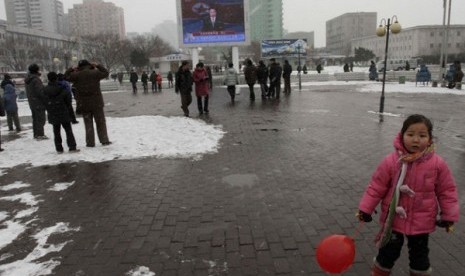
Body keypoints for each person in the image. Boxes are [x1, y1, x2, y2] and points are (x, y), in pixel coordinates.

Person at [357, 114, 459, 276]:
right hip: (393, 221)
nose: (416, 140)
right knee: (387, 254)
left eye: (422, 135)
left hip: (422, 221)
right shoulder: (392, 161)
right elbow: (376, 187)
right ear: (402, 135)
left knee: (420, 258)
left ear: (430, 138)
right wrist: (365, 209)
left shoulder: (437, 164)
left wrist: (449, 215)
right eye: (410, 134)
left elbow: (447, 191)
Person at [65, 59, 112, 147]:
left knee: (88, 123)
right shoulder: (95, 73)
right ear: (89, 65)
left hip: (84, 103)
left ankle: (90, 142)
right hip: (97, 102)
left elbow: (65, 77)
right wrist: (97, 65)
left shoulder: (76, 75)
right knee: (100, 122)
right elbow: (106, 72)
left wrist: (71, 69)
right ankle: (104, 139)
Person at [43, 72, 79, 153]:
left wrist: (49, 108)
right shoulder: (62, 88)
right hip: (63, 111)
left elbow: (44, 101)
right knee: (68, 130)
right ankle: (72, 146)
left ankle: (59, 148)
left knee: (56, 131)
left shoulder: (45, 89)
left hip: (52, 112)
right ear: (56, 78)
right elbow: (68, 101)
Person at [25, 63, 48, 140]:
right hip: (38, 102)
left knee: (35, 118)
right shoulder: (36, 79)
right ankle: (40, 134)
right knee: (41, 119)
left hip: (32, 102)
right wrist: (45, 97)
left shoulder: (28, 79)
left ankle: (36, 134)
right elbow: (40, 92)